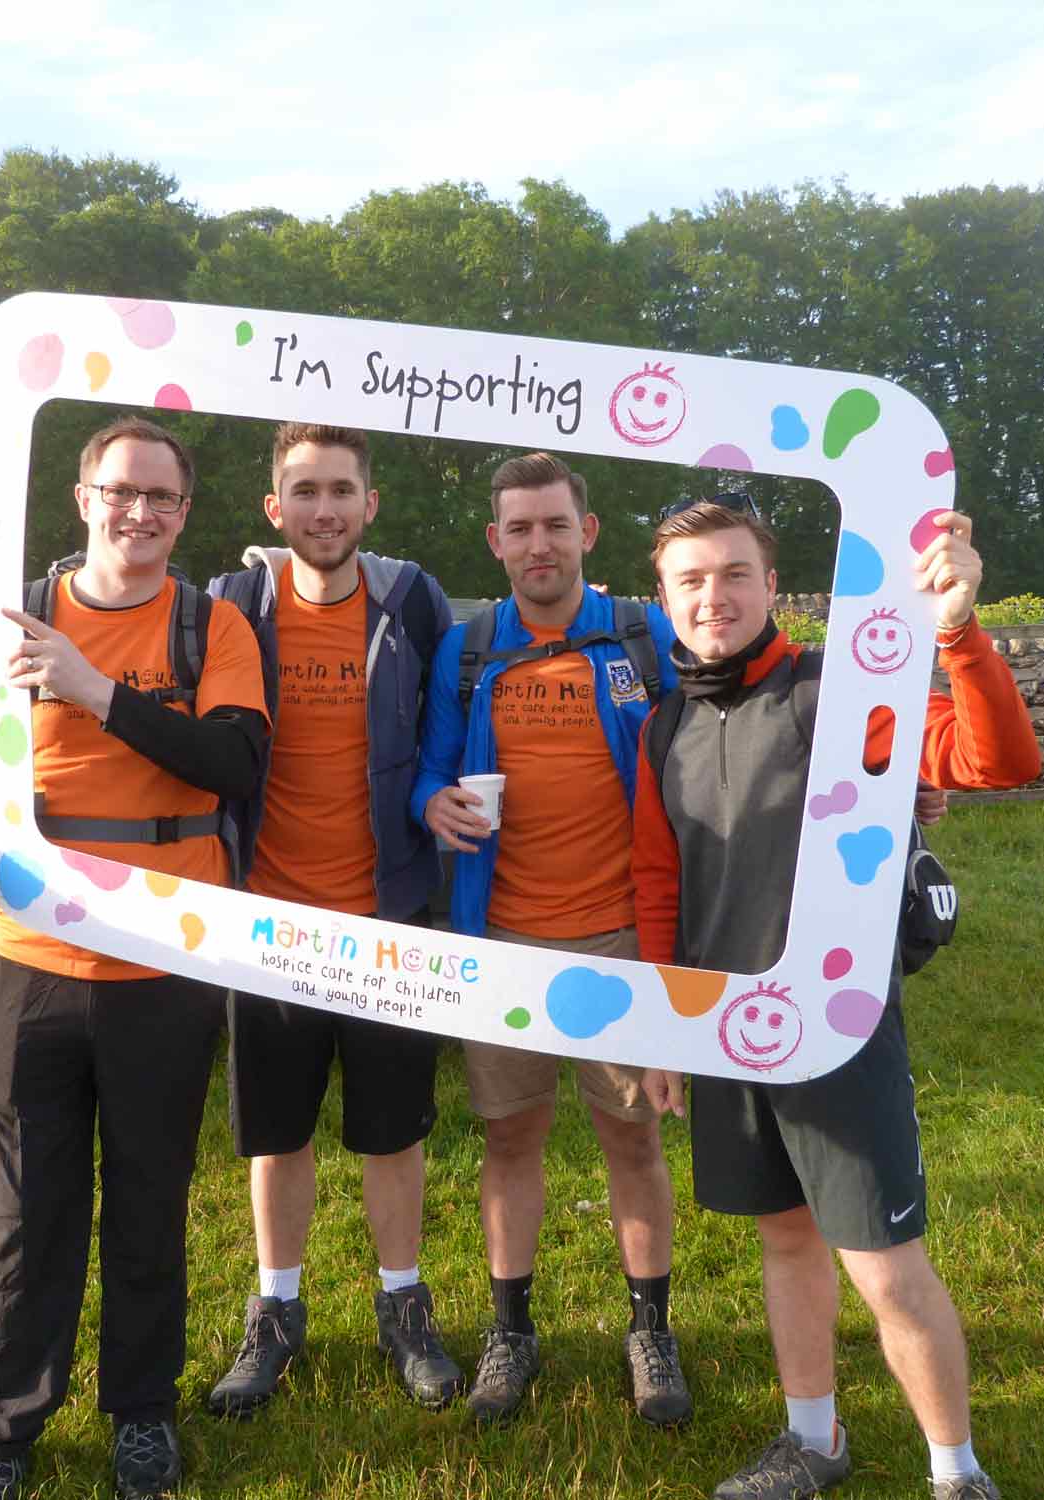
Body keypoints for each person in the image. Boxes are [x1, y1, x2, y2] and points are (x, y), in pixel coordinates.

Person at [0, 416, 271, 1500]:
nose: (139, 513)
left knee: (149, 1203)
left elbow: (233, 762)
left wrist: (96, 691)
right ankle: (2, 1435)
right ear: (82, 496)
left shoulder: (211, 627)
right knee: (25, 1215)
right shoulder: (16, 626)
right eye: (120, 491)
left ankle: (141, 1413)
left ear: (186, 514)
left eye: (163, 498)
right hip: (32, 961)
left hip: (166, 962)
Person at [630, 498, 1041, 1500]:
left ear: (772, 586)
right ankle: (811, 1441)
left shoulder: (840, 690)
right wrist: (659, 1036)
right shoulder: (664, 722)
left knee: (885, 1264)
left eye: (733, 574)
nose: (712, 596)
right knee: (782, 1237)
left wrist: (953, 628)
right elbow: (657, 884)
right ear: (662, 598)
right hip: (729, 1033)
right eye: (690, 579)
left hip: (837, 1028)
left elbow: (995, 760)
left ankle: (956, 1473)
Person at [410, 450, 693, 1428]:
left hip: (621, 933)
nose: (538, 543)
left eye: (554, 524)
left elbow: (730, 730)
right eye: (518, 528)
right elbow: (429, 769)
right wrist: (435, 804)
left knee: (631, 1133)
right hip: (498, 942)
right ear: (495, 541)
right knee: (509, 1137)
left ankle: (647, 1328)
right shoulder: (470, 646)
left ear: (587, 533)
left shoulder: (640, 633)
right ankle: (509, 1329)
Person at [200, 423, 464, 1416]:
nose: (323, 509)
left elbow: (447, 729)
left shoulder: (412, 604)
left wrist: (440, 801)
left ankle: (403, 1307)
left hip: (388, 917)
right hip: (267, 923)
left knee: (391, 1132)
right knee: (277, 1133)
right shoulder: (234, 606)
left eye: (340, 490)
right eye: (303, 491)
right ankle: (276, 1311)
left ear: (369, 506)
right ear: (274, 509)